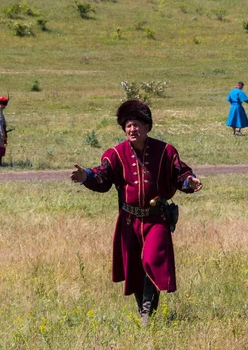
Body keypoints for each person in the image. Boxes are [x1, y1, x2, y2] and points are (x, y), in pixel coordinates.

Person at [70, 100, 203, 325]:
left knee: (152, 259)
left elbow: (180, 174)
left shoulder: (166, 151)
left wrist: (189, 182)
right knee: (133, 267)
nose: (133, 129)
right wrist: (87, 177)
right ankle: (144, 310)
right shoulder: (115, 154)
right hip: (129, 220)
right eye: (129, 125)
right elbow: (102, 176)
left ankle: (147, 310)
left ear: (147, 127)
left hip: (156, 219)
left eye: (137, 125)